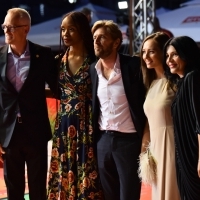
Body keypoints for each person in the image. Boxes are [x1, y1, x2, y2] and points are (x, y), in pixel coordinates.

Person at [0, 8, 57, 200]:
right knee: (13, 189)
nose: (7, 31)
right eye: (5, 26)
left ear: (26, 29)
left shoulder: (43, 55)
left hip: (36, 133)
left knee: (38, 188)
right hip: (9, 134)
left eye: (11, 27)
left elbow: (58, 88)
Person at [47, 11, 103, 200]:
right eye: (63, 30)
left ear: (82, 30)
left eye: (71, 29)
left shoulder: (96, 62)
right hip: (63, 127)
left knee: (88, 173)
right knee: (63, 171)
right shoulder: (57, 62)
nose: (65, 34)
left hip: (87, 125)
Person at [90, 20, 146, 200]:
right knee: (108, 195)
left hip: (129, 141)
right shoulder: (93, 69)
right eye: (95, 38)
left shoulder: (134, 66)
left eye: (102, 37)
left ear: (116, 42)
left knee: (129, 195)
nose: (96, 42)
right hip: (103, 140)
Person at [140, 32, 180, 200]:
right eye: (143, 51)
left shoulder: (176, 82)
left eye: (151, 51)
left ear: (163, 52)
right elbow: (149, 122)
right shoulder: (151, 83)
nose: (146, 56)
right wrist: (144, 149)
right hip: (155, 147)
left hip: (173, 145)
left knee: (172, 191)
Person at [164, 36, 200, 200]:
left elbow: (199, 122)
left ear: (187, 55)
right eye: (167, 56)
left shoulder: (192, 79)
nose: (169, 60)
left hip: (193, 155)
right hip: (183, 154)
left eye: (175, 55)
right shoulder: (181, 83)